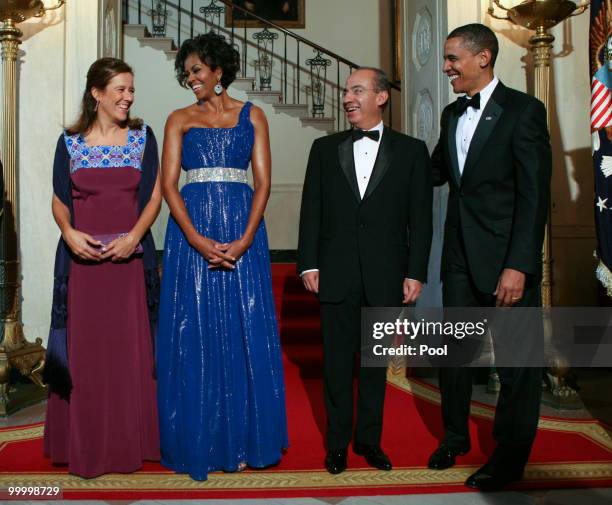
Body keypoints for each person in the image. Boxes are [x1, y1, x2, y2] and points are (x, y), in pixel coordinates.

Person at [156, 32, 288, 481]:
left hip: (241, 230)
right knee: (193, 328)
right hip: (190, 234)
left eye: (197, 70)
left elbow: (264, 183)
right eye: (187, 72)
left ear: (218, 71)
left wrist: (247, 238)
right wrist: (194, 238)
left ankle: (249, 438)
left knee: (243, 328)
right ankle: (200, 440)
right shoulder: (178, 118)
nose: (190, 78)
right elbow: (169, 185)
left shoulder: (254, 116)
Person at [428, 24, 551, 491]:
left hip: (506, 263)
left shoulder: (524, 112)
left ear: (483, 57)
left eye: (453, 58)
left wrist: (519, 265)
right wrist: (383, 164)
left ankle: (509, 458)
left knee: (518, 365)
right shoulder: (450, 113)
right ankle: (455, 437)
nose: (446, 68)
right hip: (458, 256)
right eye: (445, 58)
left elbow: (534, 197)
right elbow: (436, 171)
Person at [297, 67, 433, 474]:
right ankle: (337, 444)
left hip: (386, 275)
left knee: (375, 368)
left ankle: (369, 441)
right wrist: (308, 263)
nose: (347, 98)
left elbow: (421, 220)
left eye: (357, 90)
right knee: (336, 365)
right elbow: (311, 213)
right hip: (335, 272)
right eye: (346, 91)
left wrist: (415, 272)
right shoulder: (324, 149)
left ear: (381, 97)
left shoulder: (412, 151)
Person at [43, 57, 162, 478]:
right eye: (121, 90)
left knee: (128, 353)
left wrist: (133, 237)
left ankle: (132, 442)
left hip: (128, 264)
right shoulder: (69, 142)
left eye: (131, 90)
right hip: (83, 264)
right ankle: (86, 442)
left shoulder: (143, 137)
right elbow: (59, 197)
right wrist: (70, 234)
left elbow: (153, 197)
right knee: (87, 354)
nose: (128, 97)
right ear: (96, 93)